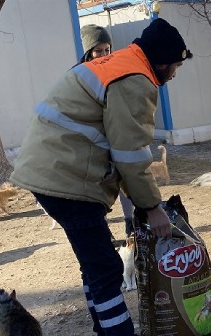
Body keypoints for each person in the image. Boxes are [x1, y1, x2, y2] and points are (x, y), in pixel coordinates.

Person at [10, 18, 193, 336]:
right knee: (105, 270)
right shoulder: (135, 79)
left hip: (53, 171)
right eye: (175, 66)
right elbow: (130, 155)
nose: (175, 74)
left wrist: (142, 206)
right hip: (65, 178)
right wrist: (153, 207)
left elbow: (115, 145)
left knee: (95, 267)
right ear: (161, 61)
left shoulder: (120, 64)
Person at [80, 24, 136, 236]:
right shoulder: (79, 76)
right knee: (98, 186)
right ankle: (102, 226)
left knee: (123, 179)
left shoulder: (117, 72)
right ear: (88, 53)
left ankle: (130, 221)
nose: (104, 55)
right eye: (98, 51)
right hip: (92, 141)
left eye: (107, 50)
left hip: (116, 136)